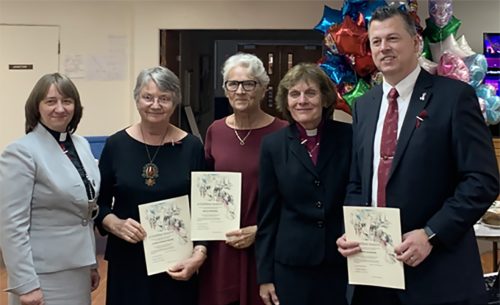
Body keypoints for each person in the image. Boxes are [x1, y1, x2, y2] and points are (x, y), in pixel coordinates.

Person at [336, 6, 499, 305]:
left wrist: (431, 234)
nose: (384, 47)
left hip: (436, 274)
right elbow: (358, 182)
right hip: (373, 274)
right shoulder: (365, 106)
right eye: (376, 41)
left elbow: (482, 180)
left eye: (393, 38)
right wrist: (352, 228)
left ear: (416, 43)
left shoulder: (453, 98)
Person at [95, 66, 207, 305]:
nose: (155, 105)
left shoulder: (192, 147)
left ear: (174, 102)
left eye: (164, 98)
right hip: (128, 259)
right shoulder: (116, 145)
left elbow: (203, 209)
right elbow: (99, 204)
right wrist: (113, 223)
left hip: (176, 262)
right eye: (148, 97)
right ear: (137, 99)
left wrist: (199, 254)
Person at [255, 63, 352, 305]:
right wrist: (265, 276)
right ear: (286, 101)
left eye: (310, 93)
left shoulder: (349, 137)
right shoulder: (273, 146)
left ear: (325, 98)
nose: (302, 101)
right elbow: (267, 214)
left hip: (340, 260)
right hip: (291, 264)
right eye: (294, 94)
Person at [0, 73, 101, 305]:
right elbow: (11, 226)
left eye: (67, 101)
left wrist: (91, 264)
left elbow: (84, 212)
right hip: (40, 274)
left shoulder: (82, 145)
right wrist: (25, 284)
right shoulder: (20, 152)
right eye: (50, 101)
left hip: (77, 268)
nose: (60, 108)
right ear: (36, 107)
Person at [198, 53, 287, 305]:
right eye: (232, 84)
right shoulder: (216, 130)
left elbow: (294, 195)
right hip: (221, 246)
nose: (240, 90)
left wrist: (260, 231)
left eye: (249, 84)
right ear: (225, 89)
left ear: (262, 89)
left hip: (265, 244)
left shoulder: (282, 132)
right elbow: (206, 187)